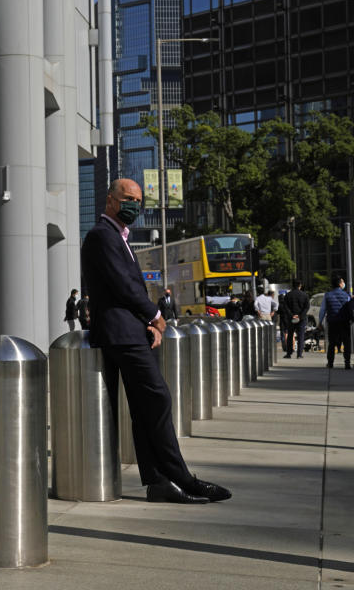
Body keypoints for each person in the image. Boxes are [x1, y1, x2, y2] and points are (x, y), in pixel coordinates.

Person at [81, 178, 230, 505]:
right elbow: (123, 285)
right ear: (110, 201)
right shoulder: (101, 236)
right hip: (120, 334)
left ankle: (159, 482)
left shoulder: (120, 238)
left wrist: (149, 325)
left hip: (131, 331)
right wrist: (154, 315)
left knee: (145, 407)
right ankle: (181, 477)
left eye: (138, 199)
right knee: (158, 398)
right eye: (127, 198)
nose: (134, 204)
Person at [318, 274, 351, 369]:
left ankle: (330, 363)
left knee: (332, 343)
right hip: (344, 322)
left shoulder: (327, 295)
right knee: (346, 342)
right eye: (342, 282)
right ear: (340, 284)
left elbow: (322, 310)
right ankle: (347, 363)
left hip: (332, 322)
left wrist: (320, 322)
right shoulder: (347, 295)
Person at [282, 279, 310, 358]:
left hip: (291, 318)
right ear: (300, 285)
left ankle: (289, 353)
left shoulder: (288, 295)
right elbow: (307, 307)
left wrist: (291, 315)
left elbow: (285, 307)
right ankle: (299, 354)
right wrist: (300, 316)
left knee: (290, 335)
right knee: (301, 336)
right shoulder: (304, 295)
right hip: (301, 319)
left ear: (293, 285)